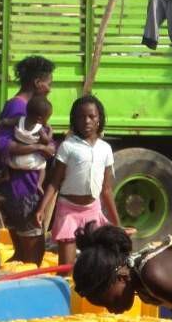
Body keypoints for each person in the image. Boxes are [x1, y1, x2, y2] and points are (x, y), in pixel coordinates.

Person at [36, 95, 120, 267]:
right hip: (69, 211)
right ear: (74, 120)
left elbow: (106, 190)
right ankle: (64, 293)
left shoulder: (105, 149)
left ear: (99, 119)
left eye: (91, 116)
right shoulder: (68, 146)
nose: (86, 121)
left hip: (93, 211)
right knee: (66, 268)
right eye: (81, 117)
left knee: (95, 266)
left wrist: (118, 225)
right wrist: (42, 208)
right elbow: (54, 182)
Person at [0, 55, 55, 265]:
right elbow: (2, 144)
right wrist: (40, 147)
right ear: (38, 83)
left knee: (23, 252)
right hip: (23, 187)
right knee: (32, 252)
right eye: (49, 83)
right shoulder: (19, 109)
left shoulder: (22, 109)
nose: (50, 89)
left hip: (19, 187)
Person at [7, 95, 54, 176]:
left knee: (4, 158)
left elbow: (7, 122)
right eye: (47, 118)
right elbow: (47, 141)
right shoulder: (39, 129)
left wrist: (2, 123)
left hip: (14, 161)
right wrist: (50, 131)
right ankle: (39, 184)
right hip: (30, 161)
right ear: (39, 119)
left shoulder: (19, 120)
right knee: (43, 166)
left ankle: (5, 174)